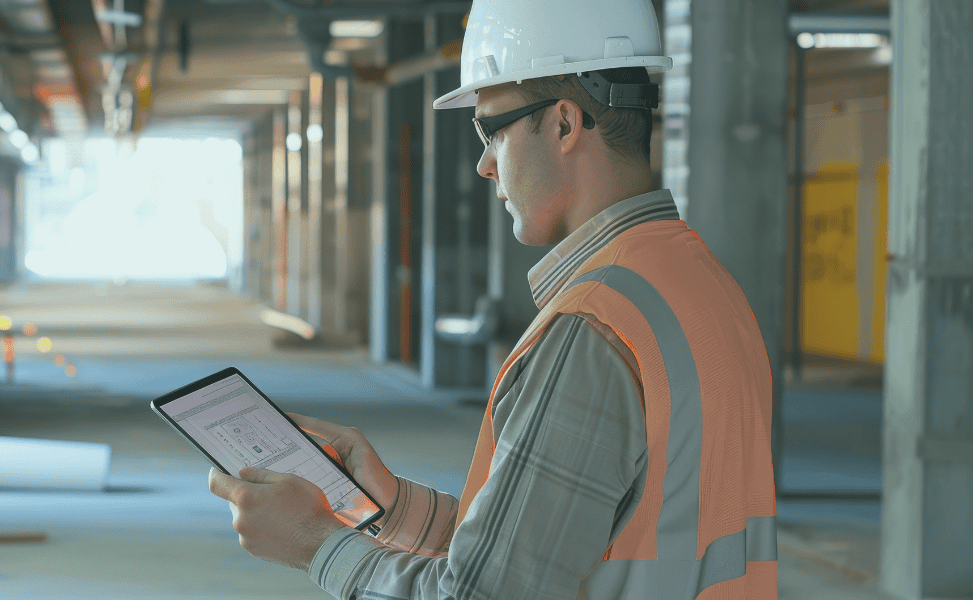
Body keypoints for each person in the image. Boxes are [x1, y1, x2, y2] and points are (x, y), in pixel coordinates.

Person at [208, 0, 779, 597]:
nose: (483, 164)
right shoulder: (698, 283)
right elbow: (556, 547)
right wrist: (393, 506)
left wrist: (313, 543)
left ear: (563, 123)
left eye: (490, 130)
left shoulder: (592, 330)